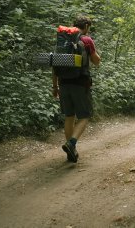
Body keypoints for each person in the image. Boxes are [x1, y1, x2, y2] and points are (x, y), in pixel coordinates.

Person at [52, 15, 101, 163]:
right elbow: (96, 61)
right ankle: (71, 143)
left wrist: (55, 86)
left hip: (63, 83)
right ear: (86, 26)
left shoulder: (62, 40)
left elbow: (54, 65)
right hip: (80, 83)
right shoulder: (86, 40)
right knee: (84, 116)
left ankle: (71, 152)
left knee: (69, 116)